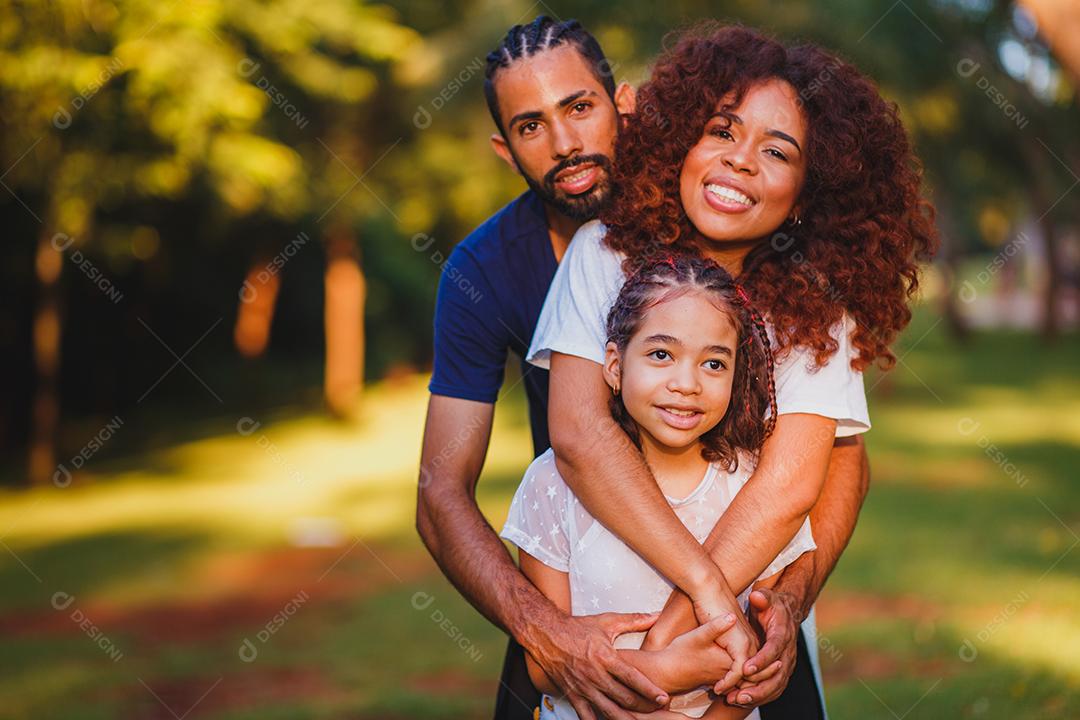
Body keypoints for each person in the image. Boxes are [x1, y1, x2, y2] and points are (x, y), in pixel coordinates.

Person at [417, 17, 871, 720]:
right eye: (532, 126)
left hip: (746, 597)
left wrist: (780, 598)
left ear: (626, 105)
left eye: (579, 108)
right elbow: (494, 470)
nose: (566, 142)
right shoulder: (557, 259)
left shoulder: (805, 287)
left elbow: (827, 466)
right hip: (579, 578)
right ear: (505, 150)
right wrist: (557, 637)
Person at [527, 23, 937, 717]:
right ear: (683, 142)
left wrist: (662, 656)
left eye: (777, 151)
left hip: (738, 657)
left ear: (807, 194)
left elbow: (791, 485)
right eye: (722, 131)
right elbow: (577, 432)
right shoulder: (603, 252)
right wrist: (704, 603)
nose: (741, 161)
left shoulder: (817, 306)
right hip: (622, 608)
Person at [504, 254, 817, 720]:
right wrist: (665, 671)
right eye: (661, 355)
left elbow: (755, 659)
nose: (686, 383)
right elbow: (544, 667)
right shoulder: (554, 484)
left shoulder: (751, 488)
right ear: (613, 365)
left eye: (713, 363)